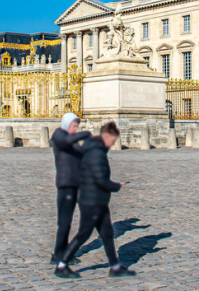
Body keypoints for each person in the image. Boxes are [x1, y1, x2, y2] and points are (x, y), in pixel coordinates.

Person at [55, 122, 135, 279]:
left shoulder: (94, 149)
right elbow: (101, 179)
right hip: (91, 201)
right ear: (106, 136)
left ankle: (115, 267)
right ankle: (61, 265)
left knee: (107, 234)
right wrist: (117, 186)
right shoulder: (96, 152)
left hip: (98, 200)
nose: (112, 144)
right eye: (112, 141)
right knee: (83, 234)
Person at [50, 112, 91, 264]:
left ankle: (63, 252)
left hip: (75, 183)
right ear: (66, 124)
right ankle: (57, 255)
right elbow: (65, 143)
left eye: (77, 126)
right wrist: (84, 134)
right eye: (74, 125)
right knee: (64, 221)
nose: (75, 128)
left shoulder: (71, 140)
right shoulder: (59, 135)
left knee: (68, 221)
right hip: (65, 183)